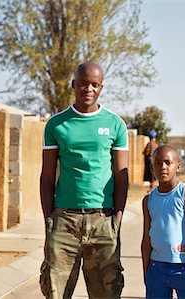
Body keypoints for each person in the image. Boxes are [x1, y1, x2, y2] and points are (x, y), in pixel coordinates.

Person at [39, 62, 129, 298]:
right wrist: (50, 220)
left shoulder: (115, 124)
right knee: (55, 292)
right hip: (64, 221)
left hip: (103, 220)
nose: (88, 89)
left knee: (106, 294)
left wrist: (116, 220)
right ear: (73, 85)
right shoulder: (57, 124)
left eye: (94, 84)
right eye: (82, 84)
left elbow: (122, 176)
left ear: (101, 87)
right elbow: (47, 176)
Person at [141, 145, 185, 299]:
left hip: (183, 268)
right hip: (156, 268)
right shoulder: (148, 200)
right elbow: (146, 239)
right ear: (152, 167)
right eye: (158, 163)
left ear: (178, 166)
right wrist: (146, 272)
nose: (163, 167)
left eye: (168, 163)